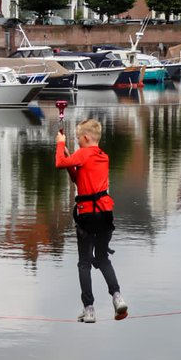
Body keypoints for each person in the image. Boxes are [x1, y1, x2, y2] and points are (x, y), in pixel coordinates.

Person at [56, 118, 127, 323]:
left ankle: (89, 309)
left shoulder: (83, 153)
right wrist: (72, 161)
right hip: (105, 215)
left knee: (84, 263)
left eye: (78, 139)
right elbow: (79, 180)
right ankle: (117, 297)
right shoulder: (103, 156)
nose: (77, 142)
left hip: (87, 216)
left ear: (86, 138)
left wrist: (61, 143)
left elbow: (59, 162)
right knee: (102, 258)